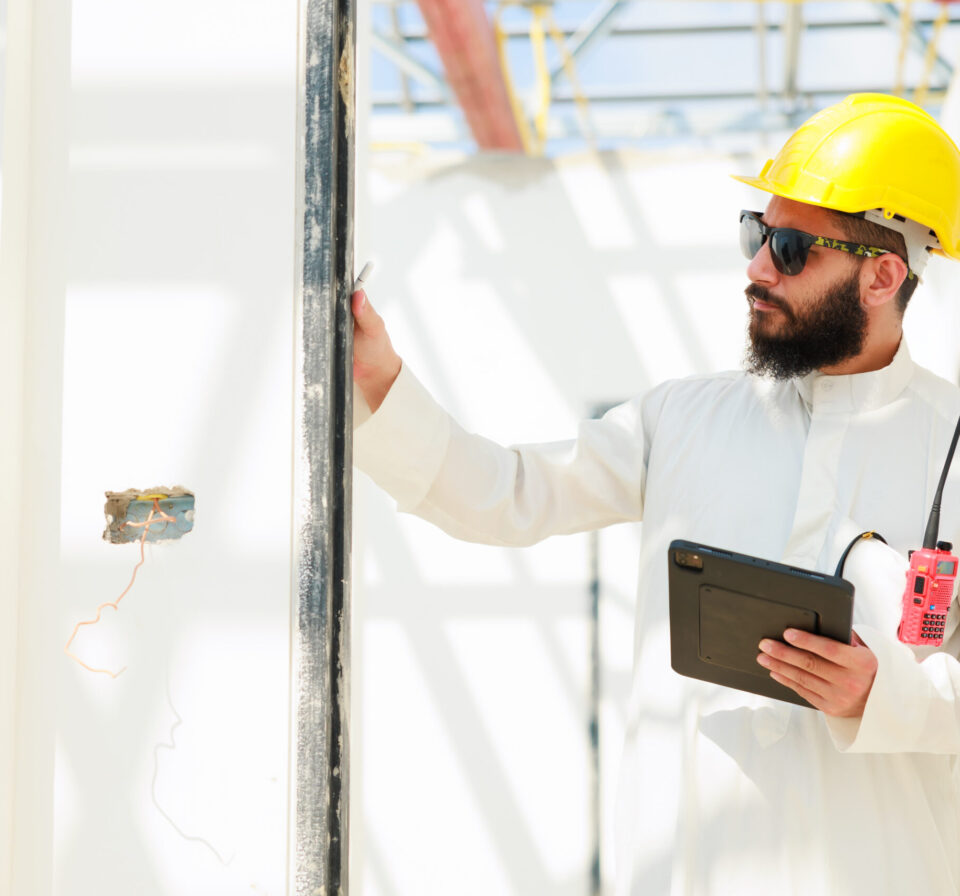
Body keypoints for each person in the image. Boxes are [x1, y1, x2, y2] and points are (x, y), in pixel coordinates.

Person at [352, 93, 960, 895]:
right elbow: (507, 494)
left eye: (788, 247)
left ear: (882, 275)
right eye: (756, 233)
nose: (755, 268)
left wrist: (890, 695)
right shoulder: (680, 419)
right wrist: (380, 383)